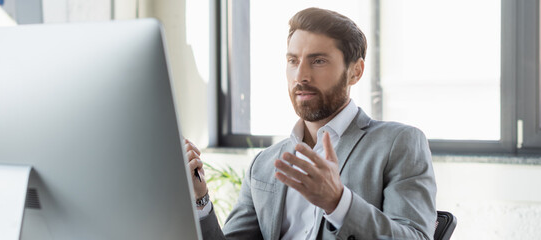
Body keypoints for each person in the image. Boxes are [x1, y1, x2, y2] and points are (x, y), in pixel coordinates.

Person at [185, 7, 437, 240]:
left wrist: (338, 202)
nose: (301, 76)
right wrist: (200, 198)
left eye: (318, 61)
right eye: (293, 61)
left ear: (355, 72)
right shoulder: (263, 164)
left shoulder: (398, 144)